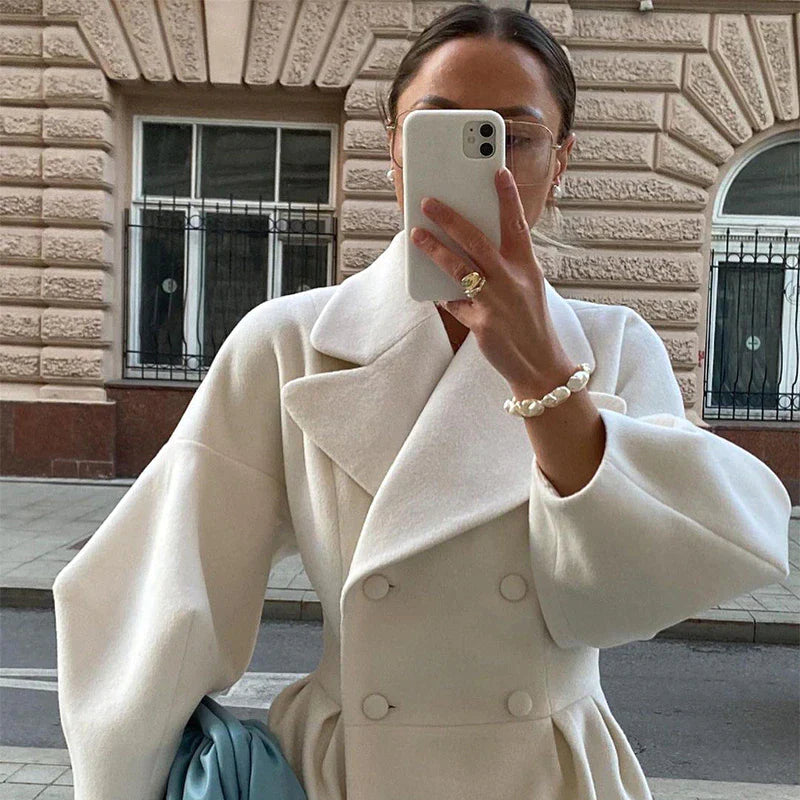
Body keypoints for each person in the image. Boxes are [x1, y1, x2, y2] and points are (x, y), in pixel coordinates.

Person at [52, 4, 792, 800]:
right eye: (441, 129)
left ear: (561, 162)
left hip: (547, 773)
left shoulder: (614, 347)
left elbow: (626, 600)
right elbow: (159, 597)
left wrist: (546, 378)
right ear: (395, 151)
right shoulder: (291, 343)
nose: (489, 165)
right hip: (350, 773)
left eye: (515, 136)